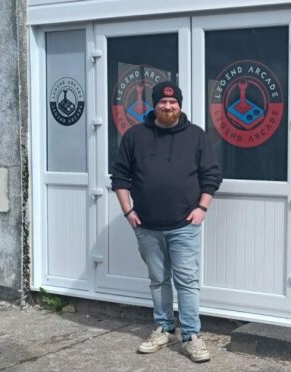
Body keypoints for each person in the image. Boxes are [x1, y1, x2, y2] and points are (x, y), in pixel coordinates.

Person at [110, 81, 222, 362]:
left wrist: (202, 208)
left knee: (187, 281)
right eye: (163, 102)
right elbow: (120, 177)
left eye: (173, 102)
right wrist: (128, 211)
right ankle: (164, 327)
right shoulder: (135, 136)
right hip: (147, 225)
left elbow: (211, 175)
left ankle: (191, 336)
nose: (168, 106)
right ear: (155, 104)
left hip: (184, 225)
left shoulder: (196, 136)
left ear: (179, 105)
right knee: (158, 279)